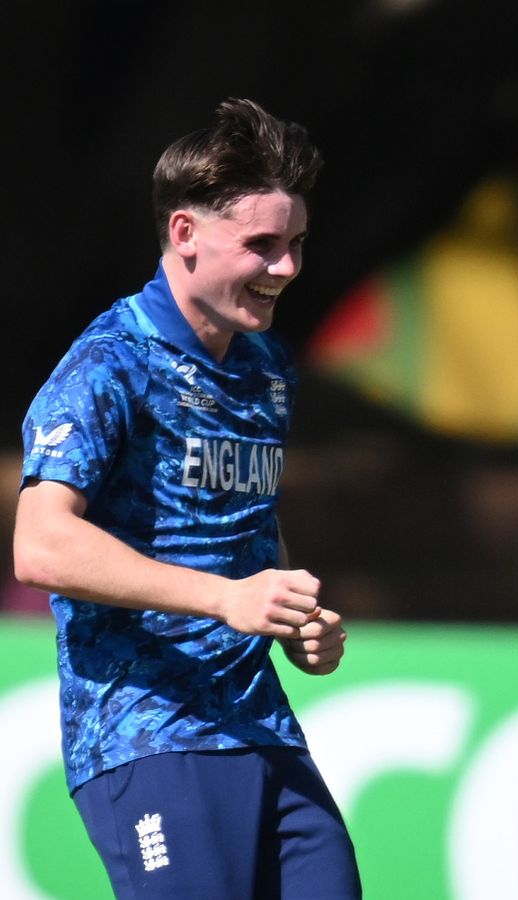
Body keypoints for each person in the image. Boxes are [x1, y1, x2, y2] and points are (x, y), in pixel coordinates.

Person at [13, 98, 360, 899]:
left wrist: (289, 615)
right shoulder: (108, 364)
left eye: (297, 245)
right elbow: (41, 546)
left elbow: (241, 520)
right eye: (262, 246)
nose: (287, 269)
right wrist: (225, 599)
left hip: (260, 725)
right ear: (184, 235)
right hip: (148, 733)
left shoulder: (265, 367)